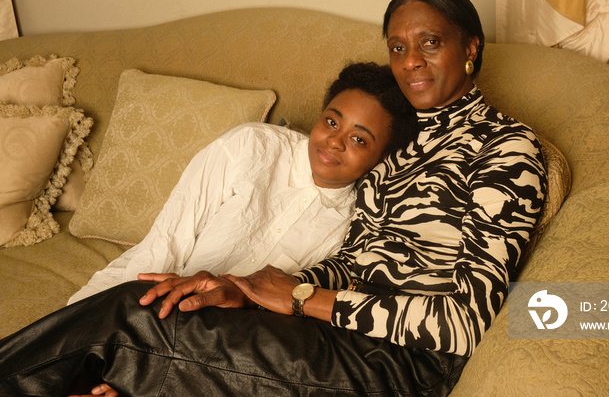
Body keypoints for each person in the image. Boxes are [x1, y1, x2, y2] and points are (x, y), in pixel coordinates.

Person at [0, 0, 547, 397]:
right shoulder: (396, 148)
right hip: (331, 334)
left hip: (397, 365)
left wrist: (305, 299)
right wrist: (249, 289)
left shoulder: (508, 150)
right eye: (398, 47)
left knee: (130, 317)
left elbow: (462, 324)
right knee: (170, 305)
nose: (411, 62)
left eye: (430, 43)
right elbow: (354, 262)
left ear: (470, 48)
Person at [67, 61, 418, 305]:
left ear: (382, 158)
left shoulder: (357, 222)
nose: (334, 141)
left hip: (223, 341)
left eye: (360, 140)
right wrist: (99, 320)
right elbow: (166, 242)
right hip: (149, 296)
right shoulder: (252, 146)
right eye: (331, 122)